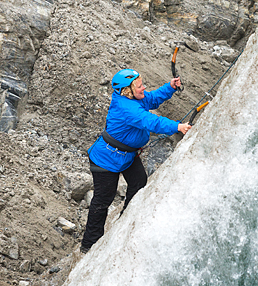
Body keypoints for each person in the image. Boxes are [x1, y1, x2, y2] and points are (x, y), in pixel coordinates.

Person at [80, 68, 192, 253]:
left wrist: (170, 87)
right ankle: (89, 245)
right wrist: (177, 126)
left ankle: (125, 221)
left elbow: (152, 98)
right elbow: (151, 121)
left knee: (139, 181)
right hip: (106, 160)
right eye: (140, 86)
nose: (144, 88)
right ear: (127, 91)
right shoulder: (127, 108)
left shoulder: (135, 99)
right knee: (103, 200)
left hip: (126, 155)